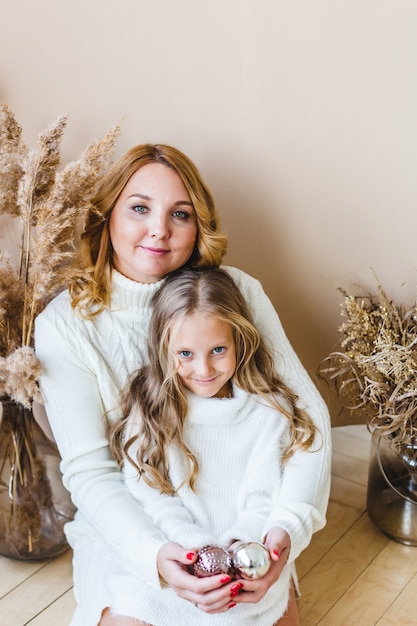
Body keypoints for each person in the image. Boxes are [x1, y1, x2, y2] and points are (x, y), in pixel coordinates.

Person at [34, 143, 331, 626]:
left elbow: (306, 421)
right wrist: (155, 556)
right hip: (133, 529)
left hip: (244, 518)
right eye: (139, 209)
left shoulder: (235, 292)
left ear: (200, 226)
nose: (160, 229)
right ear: (106, 216)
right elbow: (92, 472)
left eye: (181, 213)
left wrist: (287, 527)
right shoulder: (64, 326)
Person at [109, 266, 322, 625]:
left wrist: (242, 549)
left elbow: (264, 498)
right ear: (163, 349)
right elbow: (151, 495)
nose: (204, 368)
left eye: (218, 349)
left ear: (240, 339)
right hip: (174, 557)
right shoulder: (152, 407)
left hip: (245, 565)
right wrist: (193, 550)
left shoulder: (267, 412)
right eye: (186, 354)